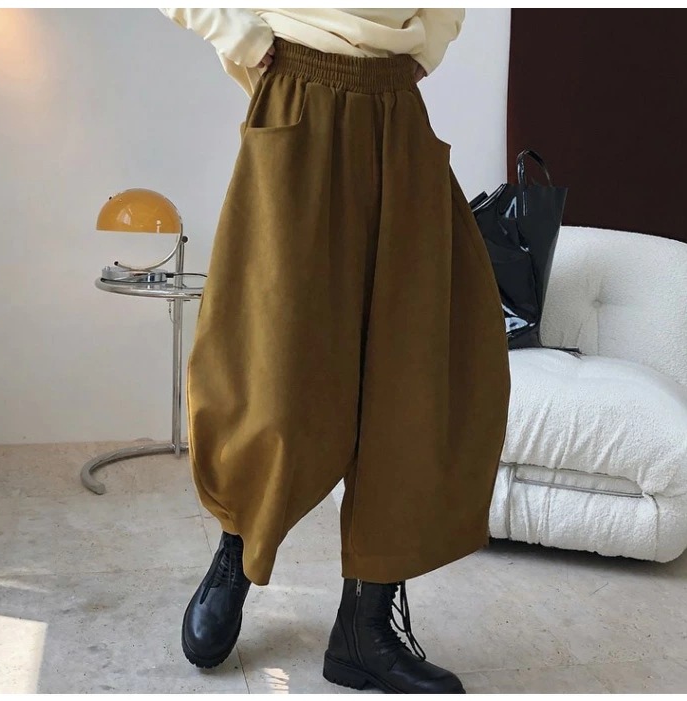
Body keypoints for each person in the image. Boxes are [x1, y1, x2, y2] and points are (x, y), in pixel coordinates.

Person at [158, 8, 510, 694]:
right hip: (298, 89)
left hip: (396, 104)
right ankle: (238, 545)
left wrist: (430, 43)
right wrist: (241, 35)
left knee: (410, 372)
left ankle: (364, 626)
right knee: (272, 369)